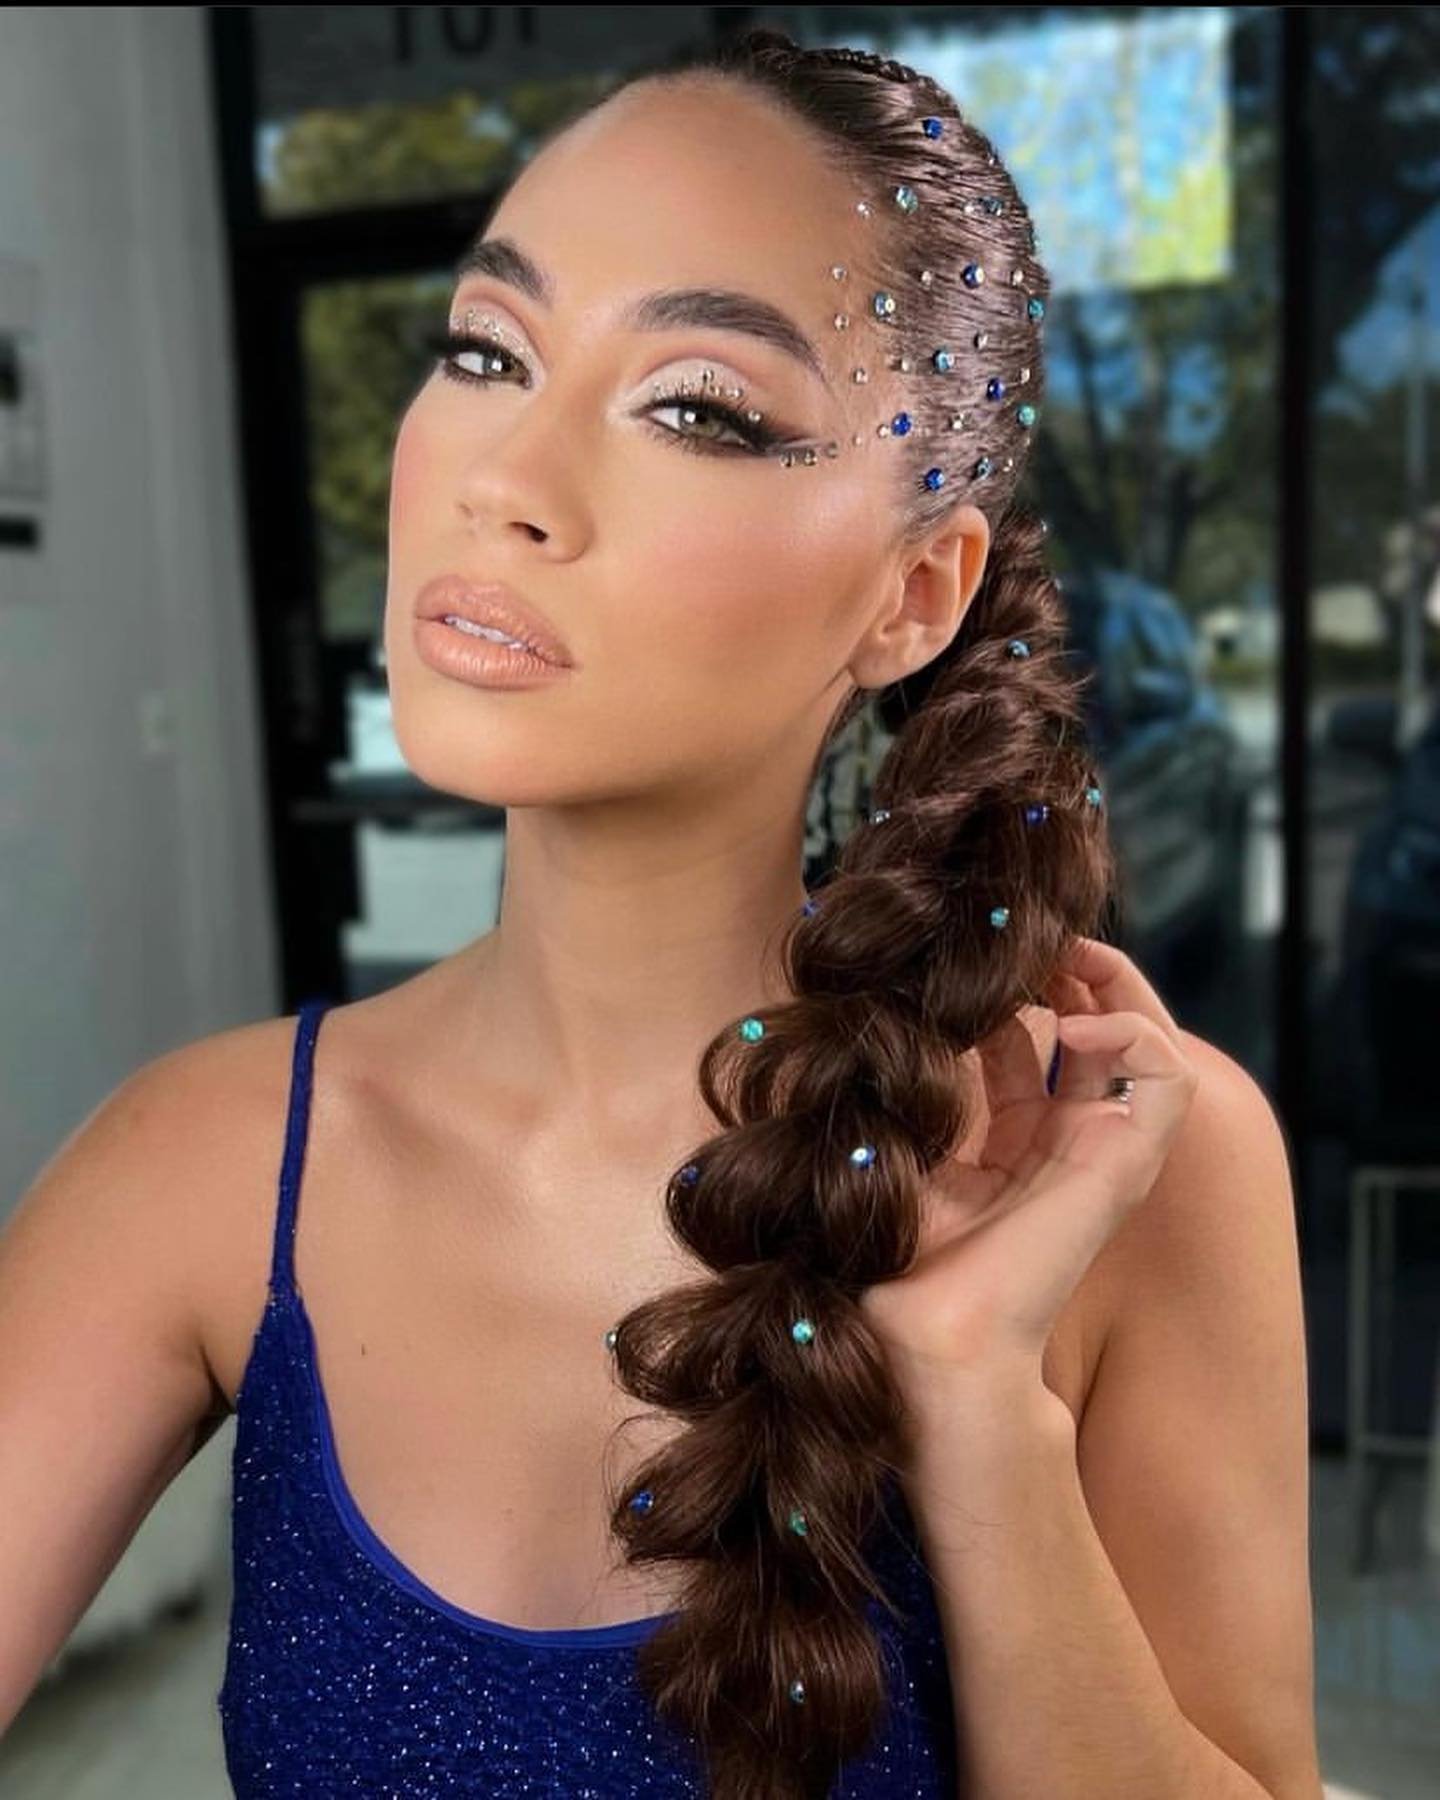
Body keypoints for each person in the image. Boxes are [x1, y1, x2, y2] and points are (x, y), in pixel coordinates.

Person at [0, 27, 1322, 1800]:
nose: (505, 480)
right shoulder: (209, 1166)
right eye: (488, 349)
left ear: (913, 595)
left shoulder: (1124, 1169)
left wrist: (975, 1405)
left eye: (697, 407)